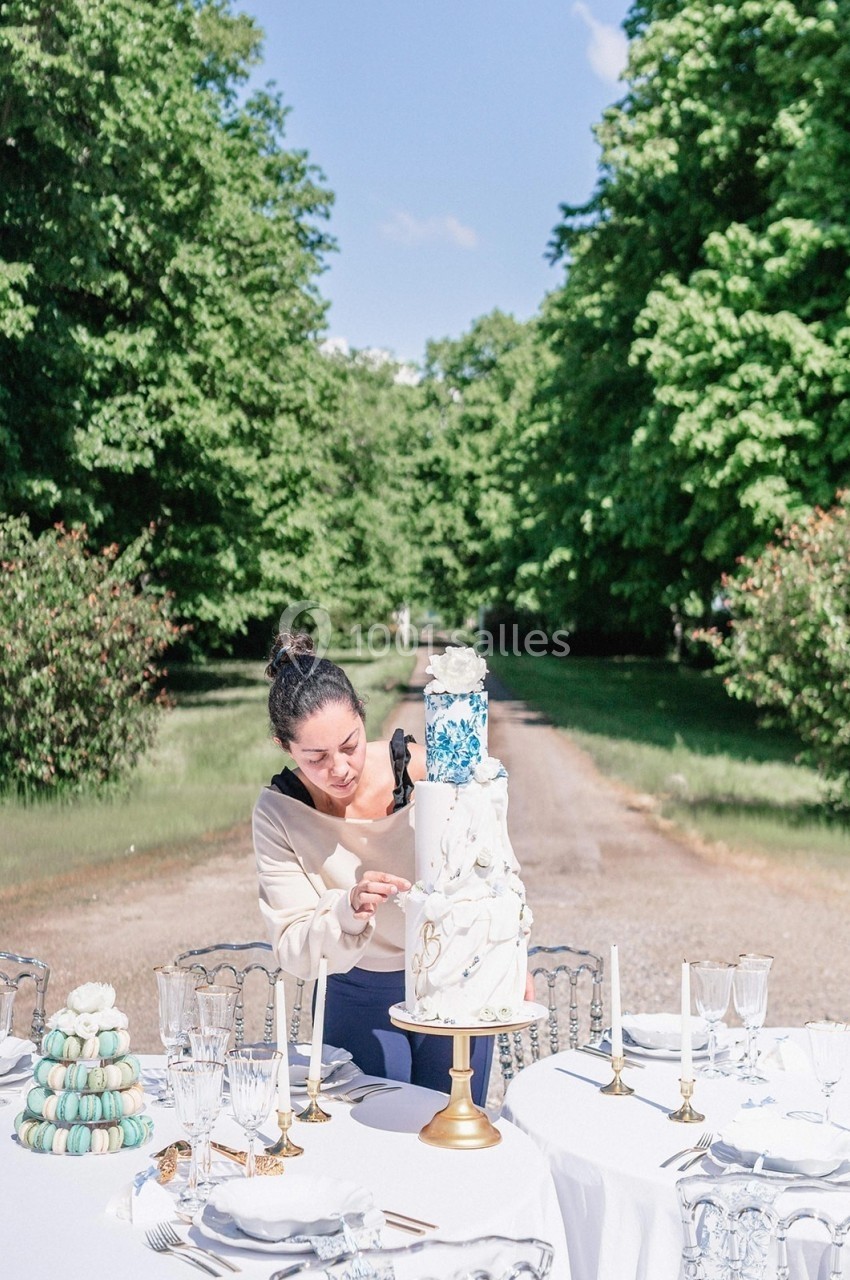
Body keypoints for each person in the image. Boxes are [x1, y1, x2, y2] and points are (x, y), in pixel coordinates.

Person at [252, 632, 494, 1102]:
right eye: (316, 758)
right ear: (285, 747)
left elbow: (488, 868)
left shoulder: (422, 769)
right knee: (369, 1135)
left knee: (458, 1127)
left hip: (453, 977)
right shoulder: (278, 812)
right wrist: (347, 909)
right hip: (353, 992)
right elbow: (292, 946)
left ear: (363, 716)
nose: (340, 768)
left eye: (350, 745)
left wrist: (508, 957)